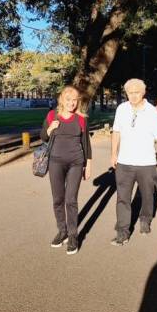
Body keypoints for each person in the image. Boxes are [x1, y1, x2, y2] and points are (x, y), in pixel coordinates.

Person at [111, 79, 157, 246]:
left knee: (147, 195)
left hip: (147, 163)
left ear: (143, 93)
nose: (133, 96)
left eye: (137, 92)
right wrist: (113, 154)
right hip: (124, 162)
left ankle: (145, 219)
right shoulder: (122, 109)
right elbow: (116, 132)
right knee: (122, 198)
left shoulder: (151, 112)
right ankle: (122, 231)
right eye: (130, 93)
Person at [40, 86, 92, 255]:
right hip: (55, 162)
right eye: (68, 99)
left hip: (76, 163)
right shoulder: (51, 116)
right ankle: (62, 231)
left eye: (74, 100)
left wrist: (88, 164)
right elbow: (43, 137)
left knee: (71, 200)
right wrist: (50, 129)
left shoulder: (81, 119)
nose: (71, 103)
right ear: (61, 100)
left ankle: (73, 235)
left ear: (78, 101)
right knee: (58, 199)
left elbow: (86, 144)